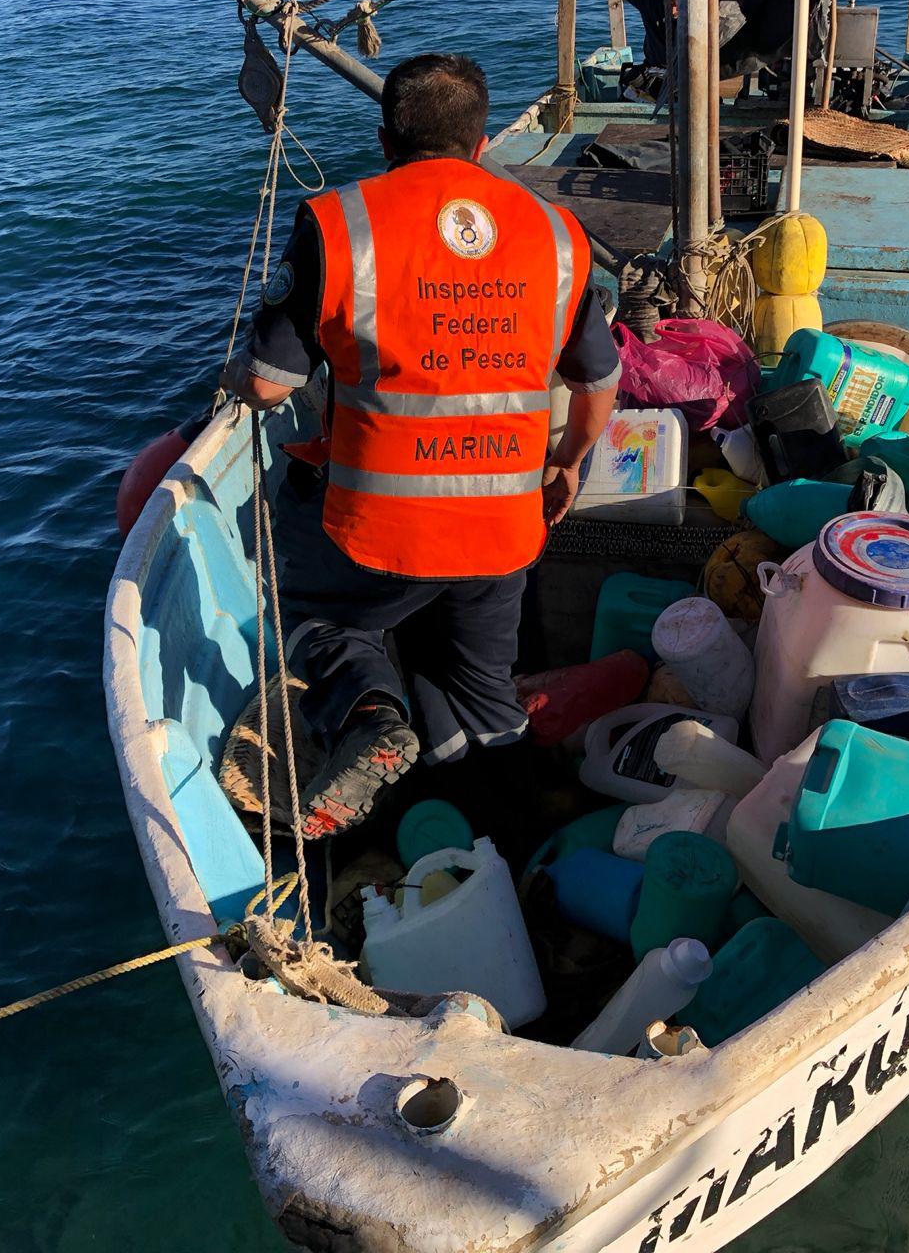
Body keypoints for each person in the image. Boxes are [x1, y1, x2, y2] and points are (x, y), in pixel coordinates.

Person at [225, 53, 620, 840]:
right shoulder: (559, 235)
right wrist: (568, 464)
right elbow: (599, 384)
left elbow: (268, 385)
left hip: (377, 534)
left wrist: (237, 372)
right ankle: (514, 839)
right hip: (503, 527)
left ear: (384, 140)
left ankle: (370, 716)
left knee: (315, 617)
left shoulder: (337, 225)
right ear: (482, 144)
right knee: (480, 690)